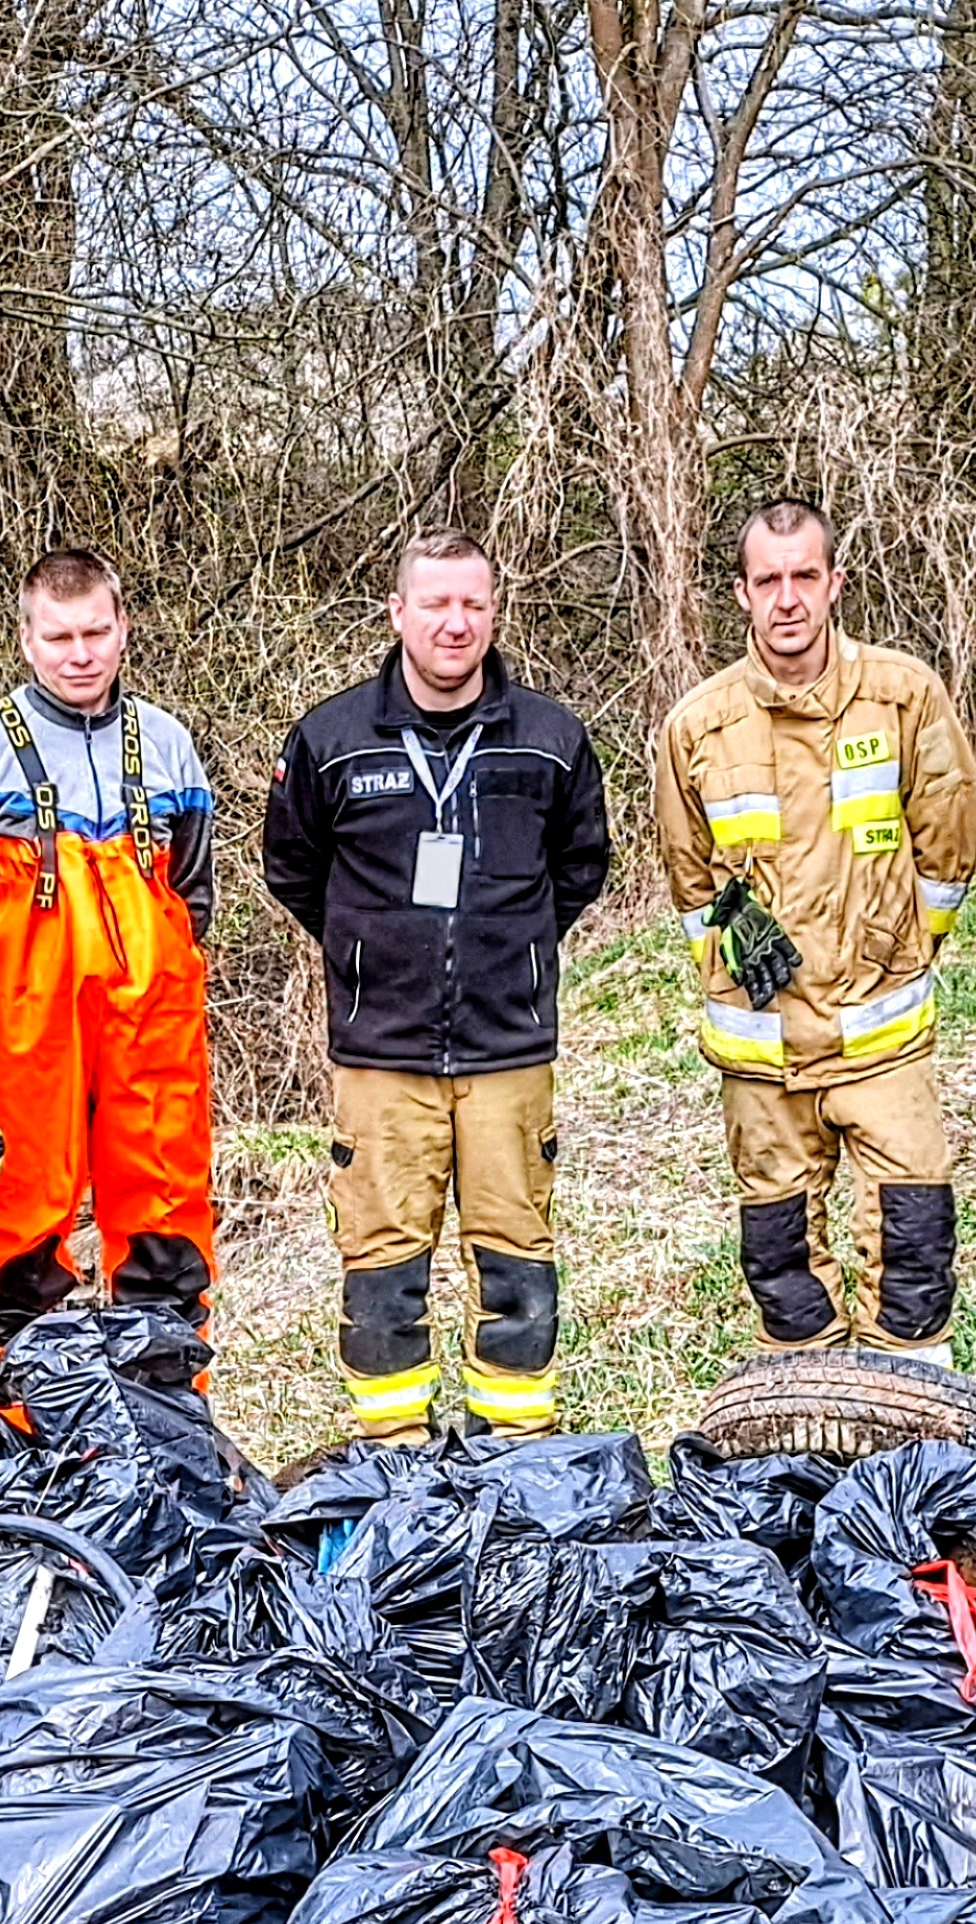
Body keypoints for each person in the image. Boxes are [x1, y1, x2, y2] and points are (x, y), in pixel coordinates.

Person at [259, 534, 615, 1440]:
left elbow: (579, 869)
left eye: (473, 605)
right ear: (398, 613)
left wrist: (513, 947)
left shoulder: (551, 740)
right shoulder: (330, 740)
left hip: (509, 1049)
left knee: (517, 1269)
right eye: (436, 605)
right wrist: (370, 951)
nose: (455, 624)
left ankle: (516, 1454)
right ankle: (396, 1459)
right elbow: (294, 870)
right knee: (382, 1272)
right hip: (381, 1052)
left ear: (494, 612)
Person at [652, 498, 976, 1356]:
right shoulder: (696, 726)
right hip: (763, 1050)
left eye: (805, 576)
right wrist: (736, 978)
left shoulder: (904, 696)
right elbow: (691, 881)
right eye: (769, 579)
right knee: (781, 1270)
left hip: (882, 1034)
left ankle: (915, 1421)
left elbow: (949, 843)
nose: (788, 598)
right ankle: (803, 1424)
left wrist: (899, 946)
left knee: (915, 1250)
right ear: (742, 594)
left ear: (835, 583)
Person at [0, 548, 221, 1387]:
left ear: (124, 630)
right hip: (22, 1037)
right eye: (59, 636)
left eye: (95, 631)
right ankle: (20, 1432)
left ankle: (169, 1420)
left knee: (167, 1225)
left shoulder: (167, 747)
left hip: (152, 1031)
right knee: (19, 1232)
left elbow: (192, 896)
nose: (79, 653)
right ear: (26, 640)